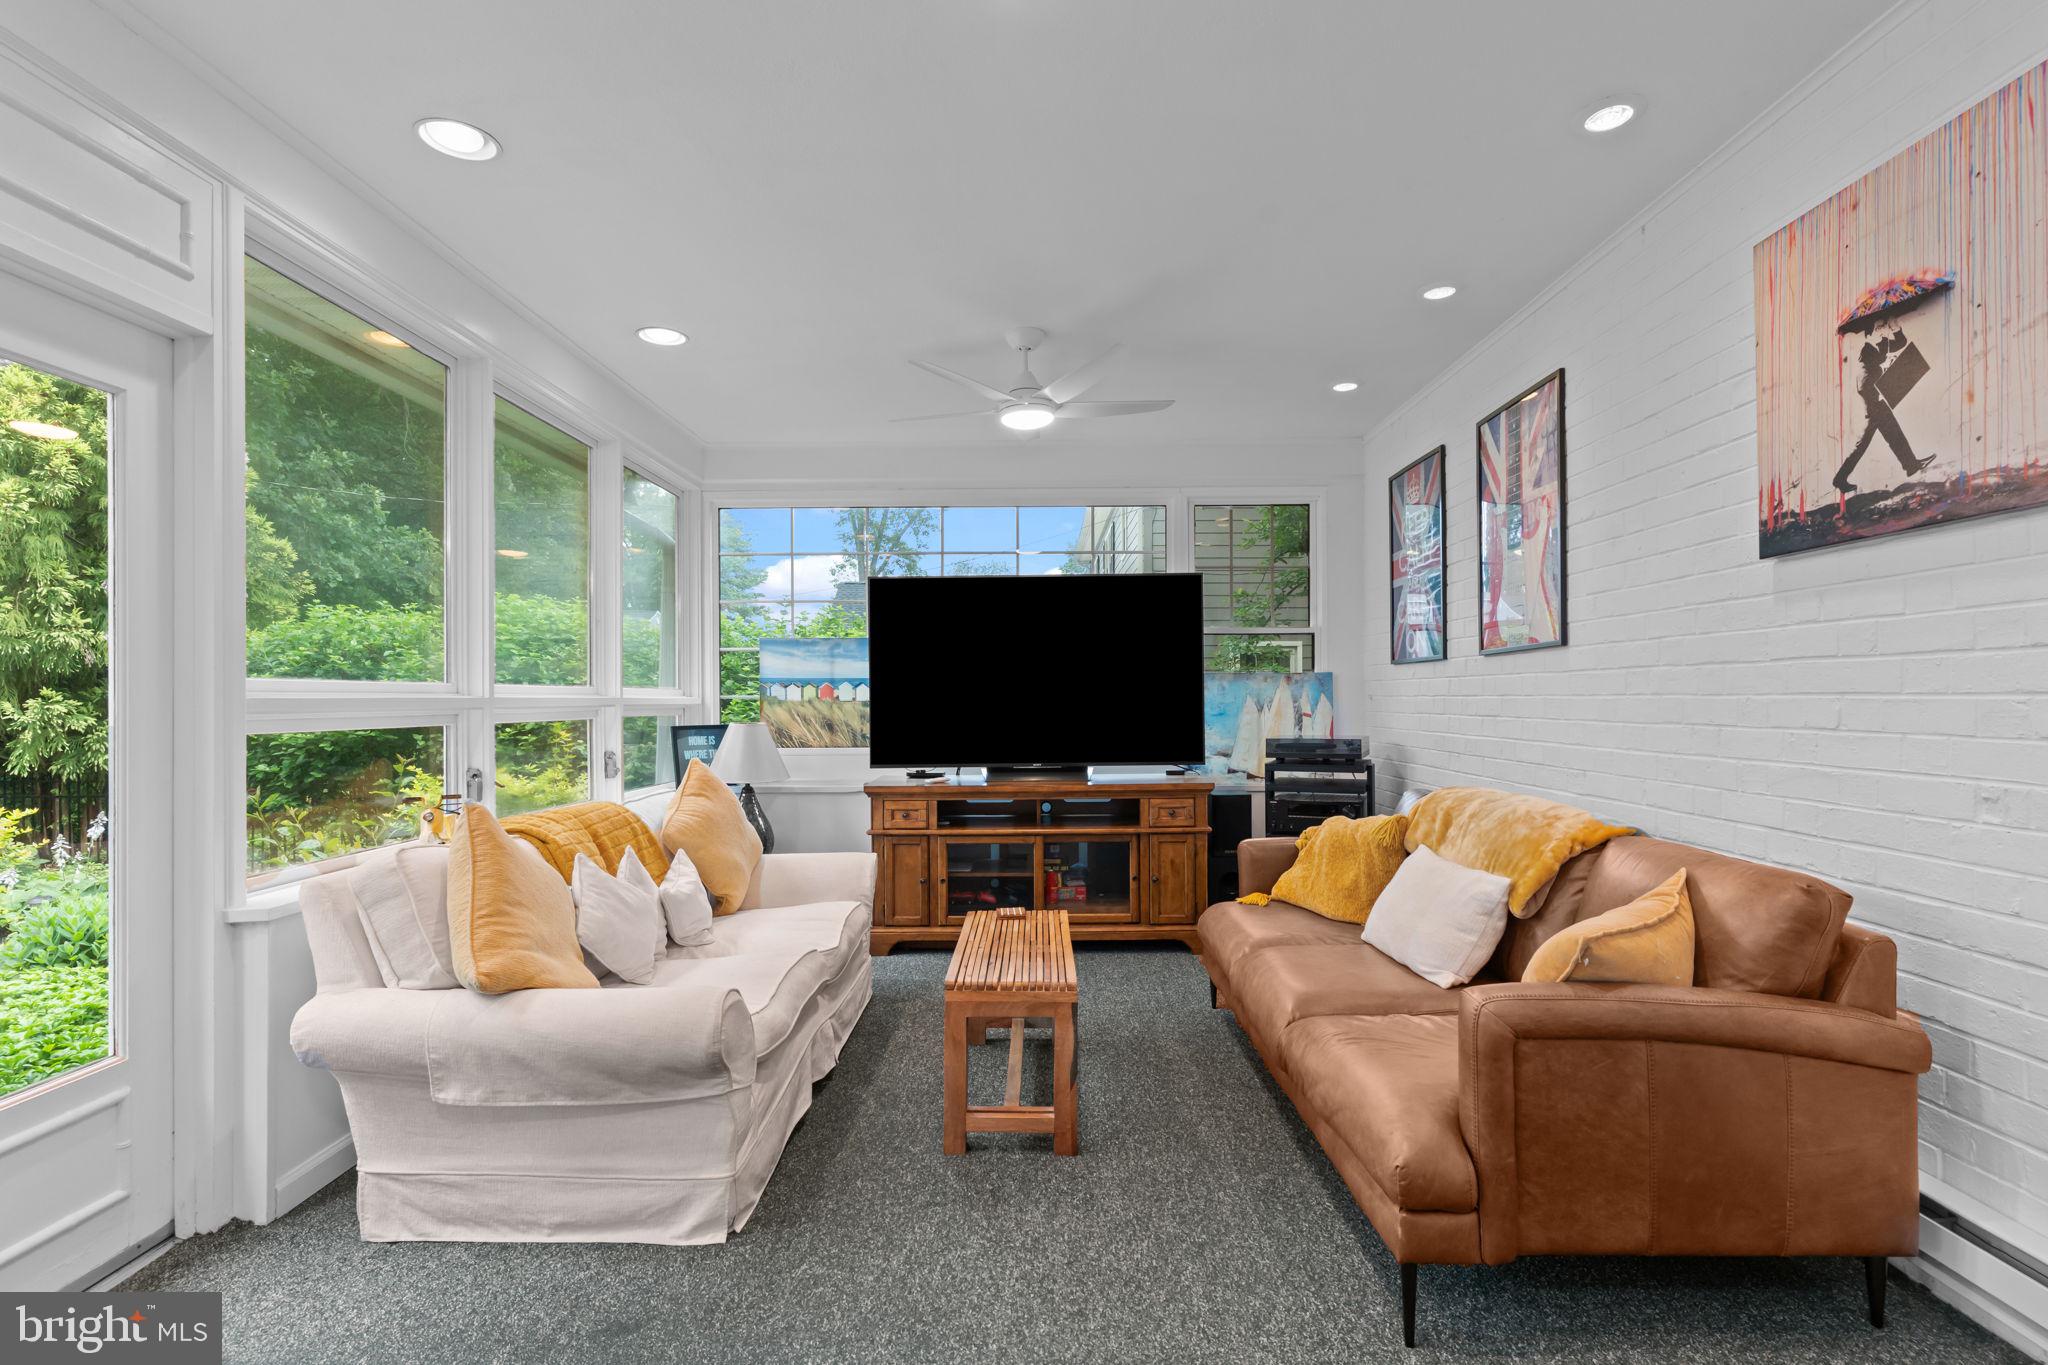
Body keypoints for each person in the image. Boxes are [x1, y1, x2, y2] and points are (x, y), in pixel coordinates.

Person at [1834, 316, 1935, 494]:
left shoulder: (1880, 343)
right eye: (1880, 327)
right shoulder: (1867, 347)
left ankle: (1910, 465)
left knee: (1884, 434)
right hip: (1870, 396)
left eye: (1883, 326)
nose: (1883, 329)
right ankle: (1910, 465)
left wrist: (1895, 327)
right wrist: (1875, 395)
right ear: (1871, 332)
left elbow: (1900, 342)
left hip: (1874, 396)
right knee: (1873, 438)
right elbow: (1863, 381)